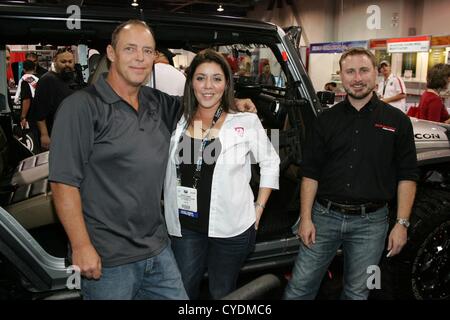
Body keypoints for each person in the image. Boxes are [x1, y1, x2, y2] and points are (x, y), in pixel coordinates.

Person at [49, 20, 255, 300]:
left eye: (147, 51)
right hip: (109, 256)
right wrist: (81, 245)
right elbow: (63, 184)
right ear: (111, 52)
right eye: (130, 49)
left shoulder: (157, 103)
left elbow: (201, 104)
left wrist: (234, 104)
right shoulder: (81, 107)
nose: (140, 58)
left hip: (158, 248)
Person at [284, 47, 419, 300]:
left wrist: (401, 224)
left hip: (372, 225)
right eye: (350, 72)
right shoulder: (325, 120)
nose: (357, 78)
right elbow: (310, 173)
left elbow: (408, 175)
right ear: (342, 77)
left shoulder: (398, 122)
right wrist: (305, 218)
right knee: (299, 289)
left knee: (359, 292)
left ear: (375, 75)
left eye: (364, 70)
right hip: (323, 219)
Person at [164, 49, 280, 299]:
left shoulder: (245, 122)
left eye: (217, 78)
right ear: (191, 81)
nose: (208, 86)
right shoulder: (179, 118)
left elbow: (271, 162)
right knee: (182, 290)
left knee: (222, 291)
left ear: (227, 83)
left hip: (232, 228)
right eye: (200, 78)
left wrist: (258, 208)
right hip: (186, 227)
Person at [33, 47, 78, 150]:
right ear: (55, 61)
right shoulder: (47, 80)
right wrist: (44, 135)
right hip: (53, 134)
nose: (67, 64)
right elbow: (40, 112)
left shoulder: (72, 80)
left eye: (70, 61)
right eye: (63, 61)